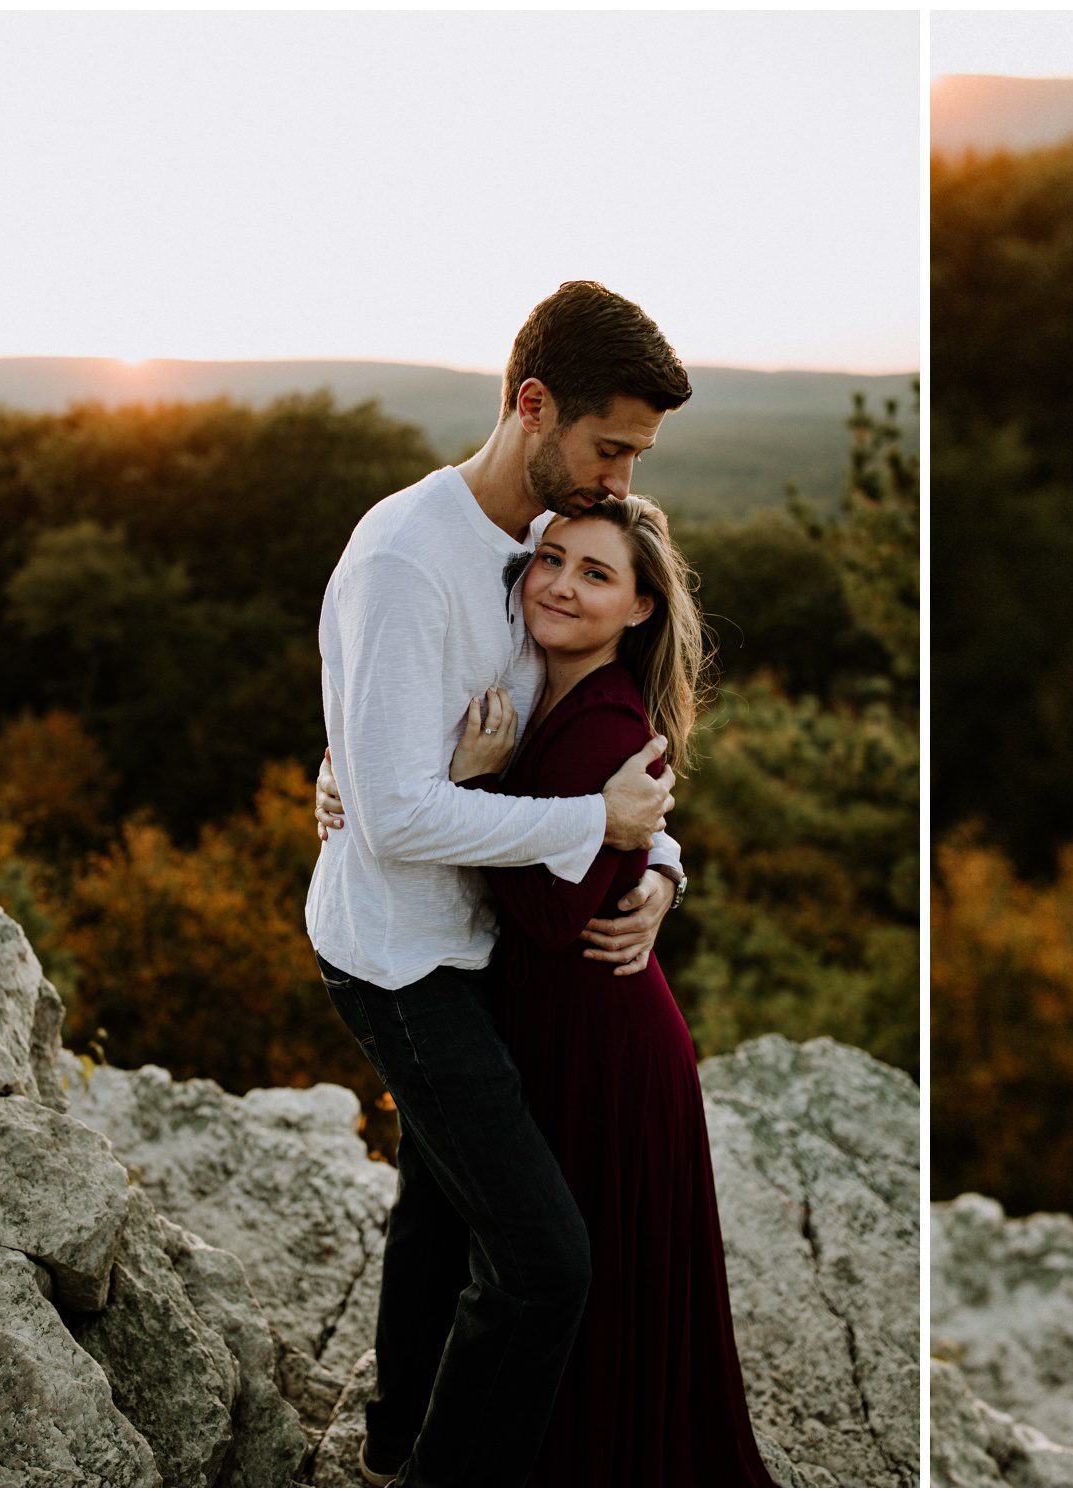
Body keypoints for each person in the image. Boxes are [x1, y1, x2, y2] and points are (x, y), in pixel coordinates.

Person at [304, 281, 692, 1486]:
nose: (623, 478)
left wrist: (658, 858)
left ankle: (391, 1449)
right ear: (533, 406)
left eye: (635, 454)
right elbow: (394, 815)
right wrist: (594, 819)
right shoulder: (407, 560)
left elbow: (590, 736)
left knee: (440, 1220)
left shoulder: (536, 554)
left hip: (475, 948)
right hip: (401, 961)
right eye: (610, 444)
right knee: (543, 1263)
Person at [447, 497, 775, 1485]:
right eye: (550, 560)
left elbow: (551, 918)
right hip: (560, 1030)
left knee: (587, 1277)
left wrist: (474, 793)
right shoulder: (531, 685)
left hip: (605, 1039)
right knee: (562, 1273)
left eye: (595, 573)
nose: (559, 584)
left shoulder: (608, 725)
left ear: (639, 608)